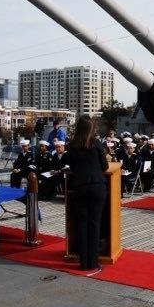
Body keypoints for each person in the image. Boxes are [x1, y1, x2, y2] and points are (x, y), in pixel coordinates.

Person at [65, 115, 109, 272]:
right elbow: (104, 166)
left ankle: (83, 262)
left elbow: (73, 167)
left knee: (82, 224)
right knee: (94, 224)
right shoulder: (96, 144)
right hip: (97, 186)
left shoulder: (71, 146)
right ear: (91, 129)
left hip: (80, 187)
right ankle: (93, 262)